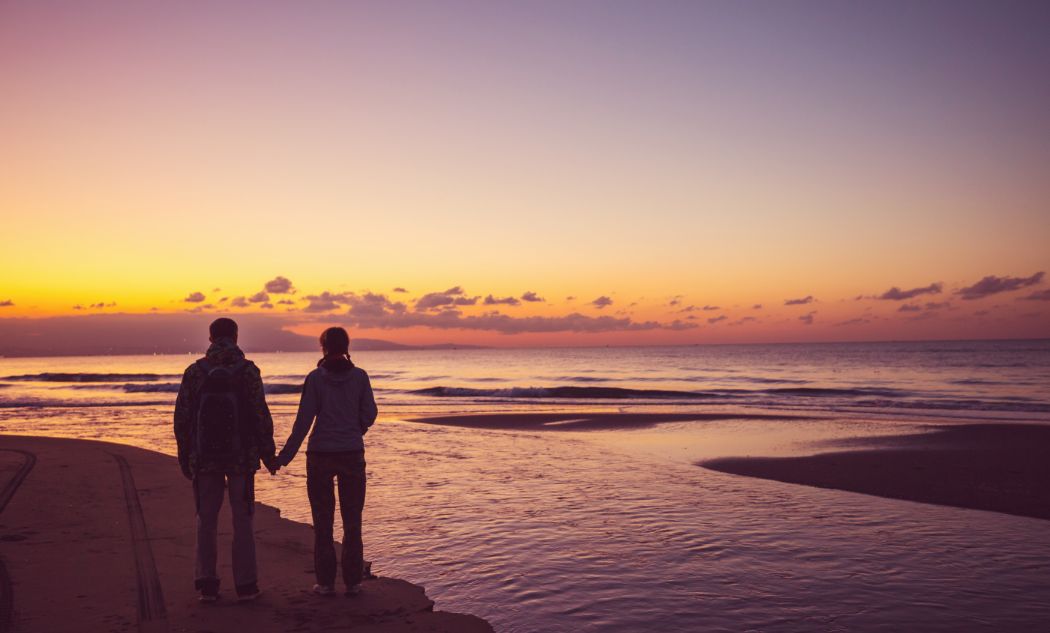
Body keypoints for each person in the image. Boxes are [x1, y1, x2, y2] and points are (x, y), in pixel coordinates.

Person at [173, 317, 278, 603]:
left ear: (210, 339)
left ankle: (207, 583)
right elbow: (260, 415)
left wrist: (185, 455)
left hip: (204, 458)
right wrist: (269, 455)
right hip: (241, 458)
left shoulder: (195, 372)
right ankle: (246, 585)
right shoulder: (248, 371)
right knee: (242, 519)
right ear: (235, 336)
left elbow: (181, 418)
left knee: (206, 518)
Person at [275, 326, 378, 597]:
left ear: (323, 347)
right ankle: (353, 582)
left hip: (320, 454)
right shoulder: (359, 377)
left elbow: (303, 422)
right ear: (346, 346)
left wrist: (283, 458)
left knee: (323, 521)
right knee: (352, 520)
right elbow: (370, 412)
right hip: (351, 453)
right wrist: (355, 428)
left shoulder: (315, 379)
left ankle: (326, 583)